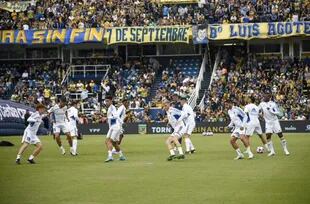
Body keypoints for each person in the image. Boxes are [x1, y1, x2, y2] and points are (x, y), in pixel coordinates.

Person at [104, 96, 126, 162]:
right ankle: (121, 156)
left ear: (111, 101)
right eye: (106, 101)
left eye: (107, 101)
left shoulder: (112, 107)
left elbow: (116, 116)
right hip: (113, 127)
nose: (106, 102)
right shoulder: (110, 108)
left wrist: (121, 122)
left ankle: (110, 156)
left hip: (115, 127)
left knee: (108, 141)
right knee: (114, 143)